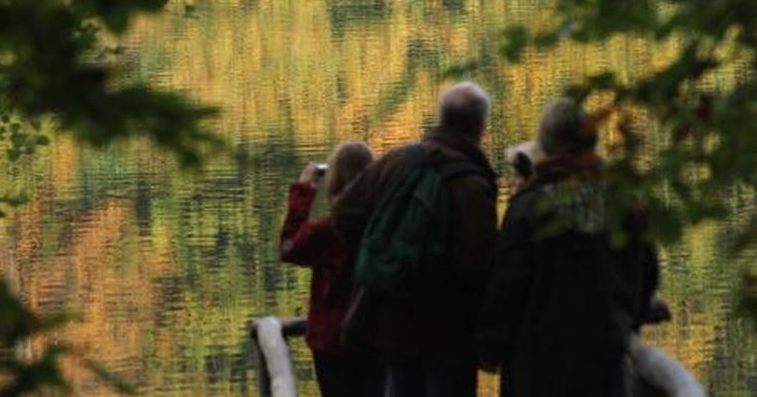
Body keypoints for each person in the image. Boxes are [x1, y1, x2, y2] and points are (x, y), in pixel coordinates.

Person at [476, 99, 660, 397]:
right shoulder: (623, 202)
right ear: (593, 140)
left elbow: (507, 284)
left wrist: (490, 346)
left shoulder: (530, 207)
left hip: (538, 364)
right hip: (604, 356)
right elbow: (646, 271)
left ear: (545, 146)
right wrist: (628, 321)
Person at [332, 82, 499, 397]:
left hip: (391, 318)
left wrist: (382, 255)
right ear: (481, 127)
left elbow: (343, 214)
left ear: (441, 118)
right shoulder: (472, 184)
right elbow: (478, 265)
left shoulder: (397, 161)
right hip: (449, 329)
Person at [279, 141, 385, 397]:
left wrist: (304, 191)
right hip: (378, 337)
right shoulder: (385, 224)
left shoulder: (327, 230)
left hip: (333, 341)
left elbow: (289, 248)